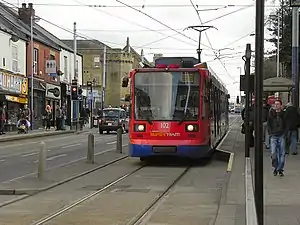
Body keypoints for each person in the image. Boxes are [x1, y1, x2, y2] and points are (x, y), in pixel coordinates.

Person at [267, 99, 286, 176]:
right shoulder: (271, 114)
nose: (276, 106)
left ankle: (279, 169)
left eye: (278, 104)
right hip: (273, 136)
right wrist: (270, 133)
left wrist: (285, 133)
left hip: (281, 135)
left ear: (281, 106)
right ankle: (277, 167)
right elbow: (269, 124)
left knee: (282, 153)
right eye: (275, 104)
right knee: (273, 153)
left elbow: (286, 124)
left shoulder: (284, 114)